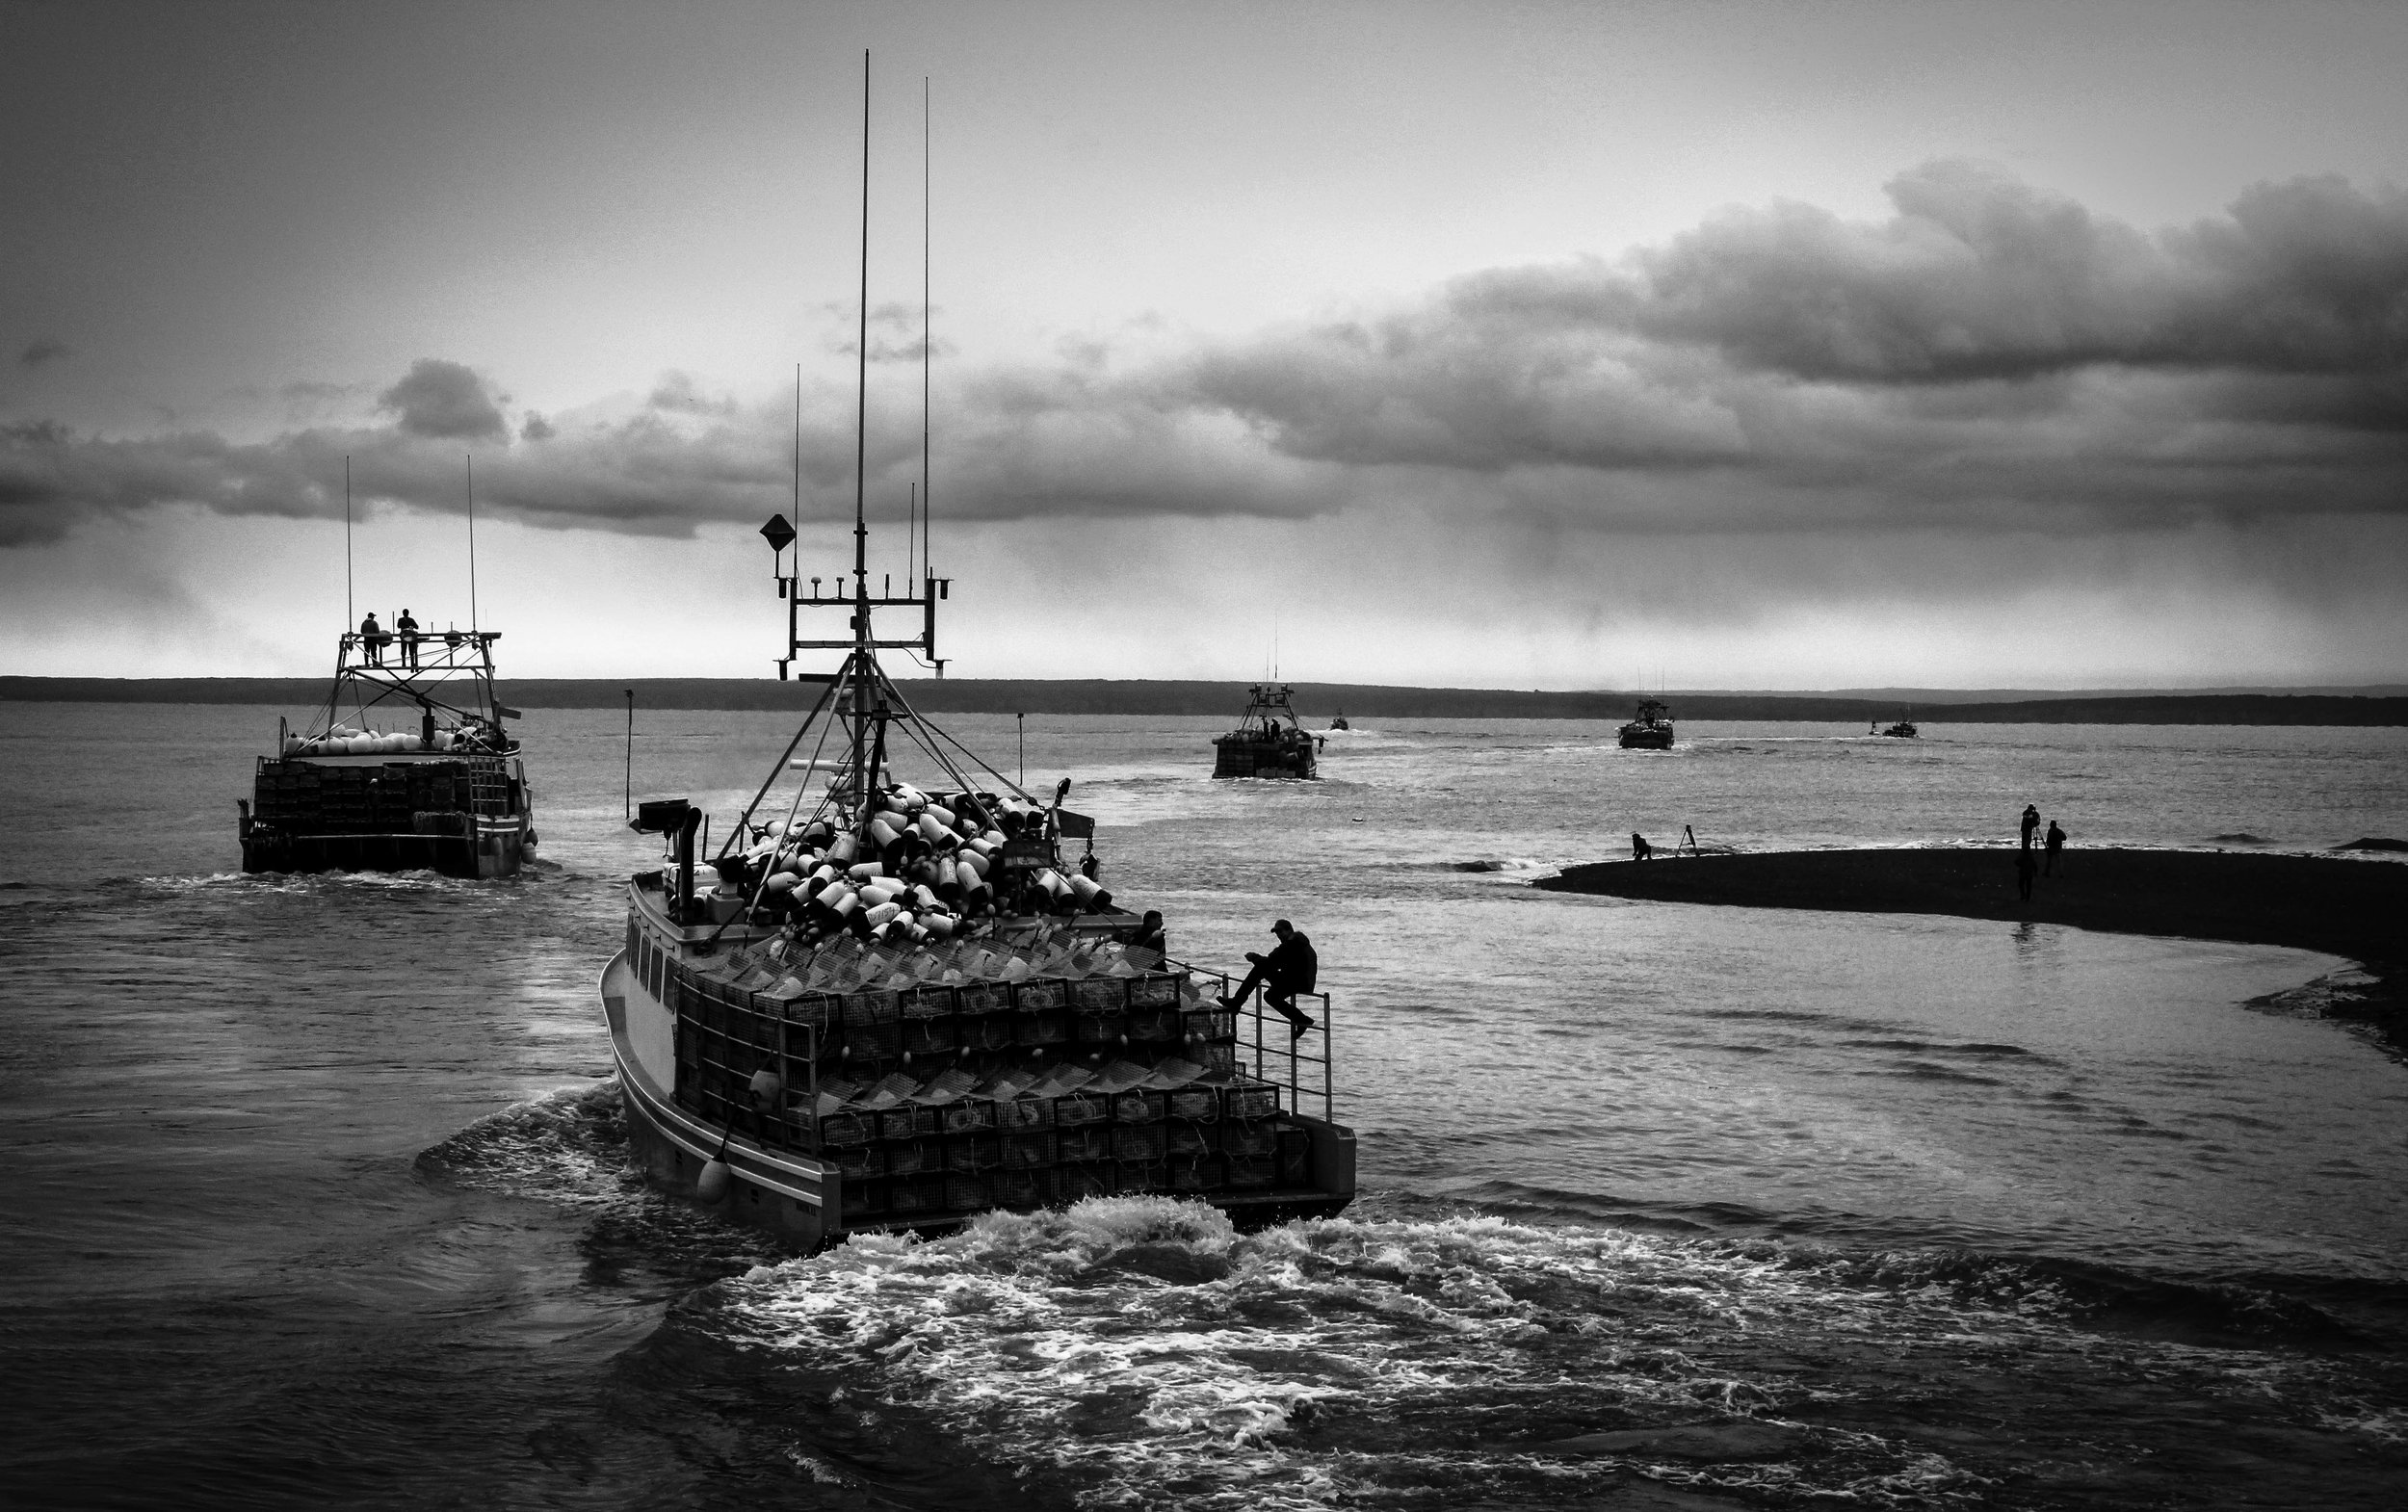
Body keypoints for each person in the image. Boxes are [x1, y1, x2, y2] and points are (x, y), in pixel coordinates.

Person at [1222, 919, 1319, 1039]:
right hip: (1299, 981)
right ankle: (1301, 1019)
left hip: (1296, 982)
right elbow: (1275, 962)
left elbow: (1272, 961)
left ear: (1289, 930)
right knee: (1270, 996)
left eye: (1280, 932)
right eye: (1276, 933)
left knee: (1260, 968)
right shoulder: (1299, 943)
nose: (1278, 935)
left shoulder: (1292, 944)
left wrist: (1254, 957)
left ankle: (1236, 1003)